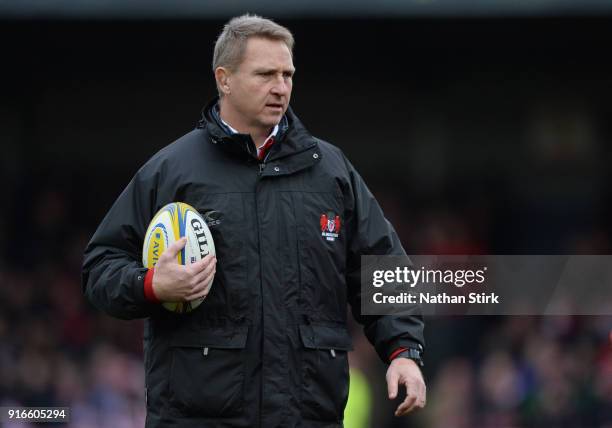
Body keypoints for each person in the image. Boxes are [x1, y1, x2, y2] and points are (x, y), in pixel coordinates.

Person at [82, 14, 426, 427]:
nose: (280, 87)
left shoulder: (331, 171)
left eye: (287, 74)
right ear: (224, 79)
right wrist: (153, 284)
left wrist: (403, 352)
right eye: (265, 74)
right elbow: (100, 266)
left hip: (307, 416)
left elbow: (384, 268)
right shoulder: (171, 171)